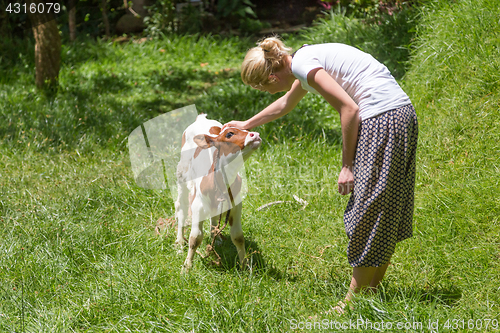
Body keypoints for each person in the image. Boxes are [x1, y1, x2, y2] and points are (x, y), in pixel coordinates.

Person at [222, 37, 418, 313]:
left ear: (271, 76)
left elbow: (349, 108)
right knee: (386, 207)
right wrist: (247, 123)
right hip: (401, 114)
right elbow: (285, 105)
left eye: (262, 87)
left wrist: (347, 166)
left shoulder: (302, 66)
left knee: (367, 211)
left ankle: (351, 305)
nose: (268, 93)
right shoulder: (304, 60)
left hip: (382, 120)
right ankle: (370, 293)